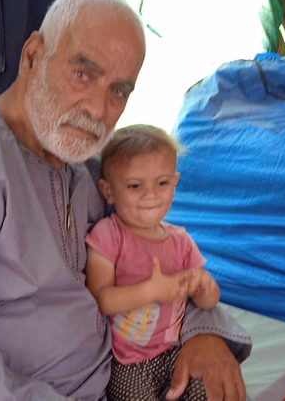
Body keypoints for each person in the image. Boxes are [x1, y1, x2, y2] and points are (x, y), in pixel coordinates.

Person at [0, 0, 251, 400]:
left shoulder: (93, 170)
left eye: (119, 90)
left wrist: (202, 333)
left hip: (116, 379)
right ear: (32, 56)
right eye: (83, 73)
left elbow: (161, 251)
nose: (98, 109)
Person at [85, 125, 221, 401]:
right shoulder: (109, 235)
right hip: (126, 362)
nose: (151, 195)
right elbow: (101, 299)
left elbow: (208, 301)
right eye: (135, 186)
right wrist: (151, 291)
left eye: (162, 183)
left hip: (176, 352)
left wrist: (205, 287)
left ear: (175, 182)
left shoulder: (181, 240)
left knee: (207, 390)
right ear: (108, 191)